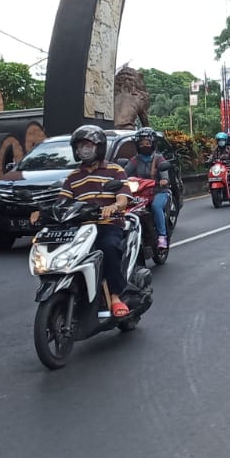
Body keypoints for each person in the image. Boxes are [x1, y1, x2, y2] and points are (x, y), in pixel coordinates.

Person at [58, 125, 134, 318]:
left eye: (87, 144)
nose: (83, 149)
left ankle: (116, 297)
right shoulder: (72, 177)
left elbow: (123, 197)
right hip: (80, 229)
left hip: (107, 224)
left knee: (107, 247)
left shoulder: (114, 170)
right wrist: (40, 213)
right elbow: (62, 202)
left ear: (99, 147)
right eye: (80, 145)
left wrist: (114, 207)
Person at [122, 126, 172, 250]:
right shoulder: (135, 160)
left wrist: (163, 180)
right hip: (140, 193)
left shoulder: (158, 158)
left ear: (153, 143)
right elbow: (124, 173)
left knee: (156, 206)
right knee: (125, 208)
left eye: (147, 143)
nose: (144, 145)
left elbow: (164, 173)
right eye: (142, 143)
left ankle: (162, 237)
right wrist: (117, 180)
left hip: (158, 191)